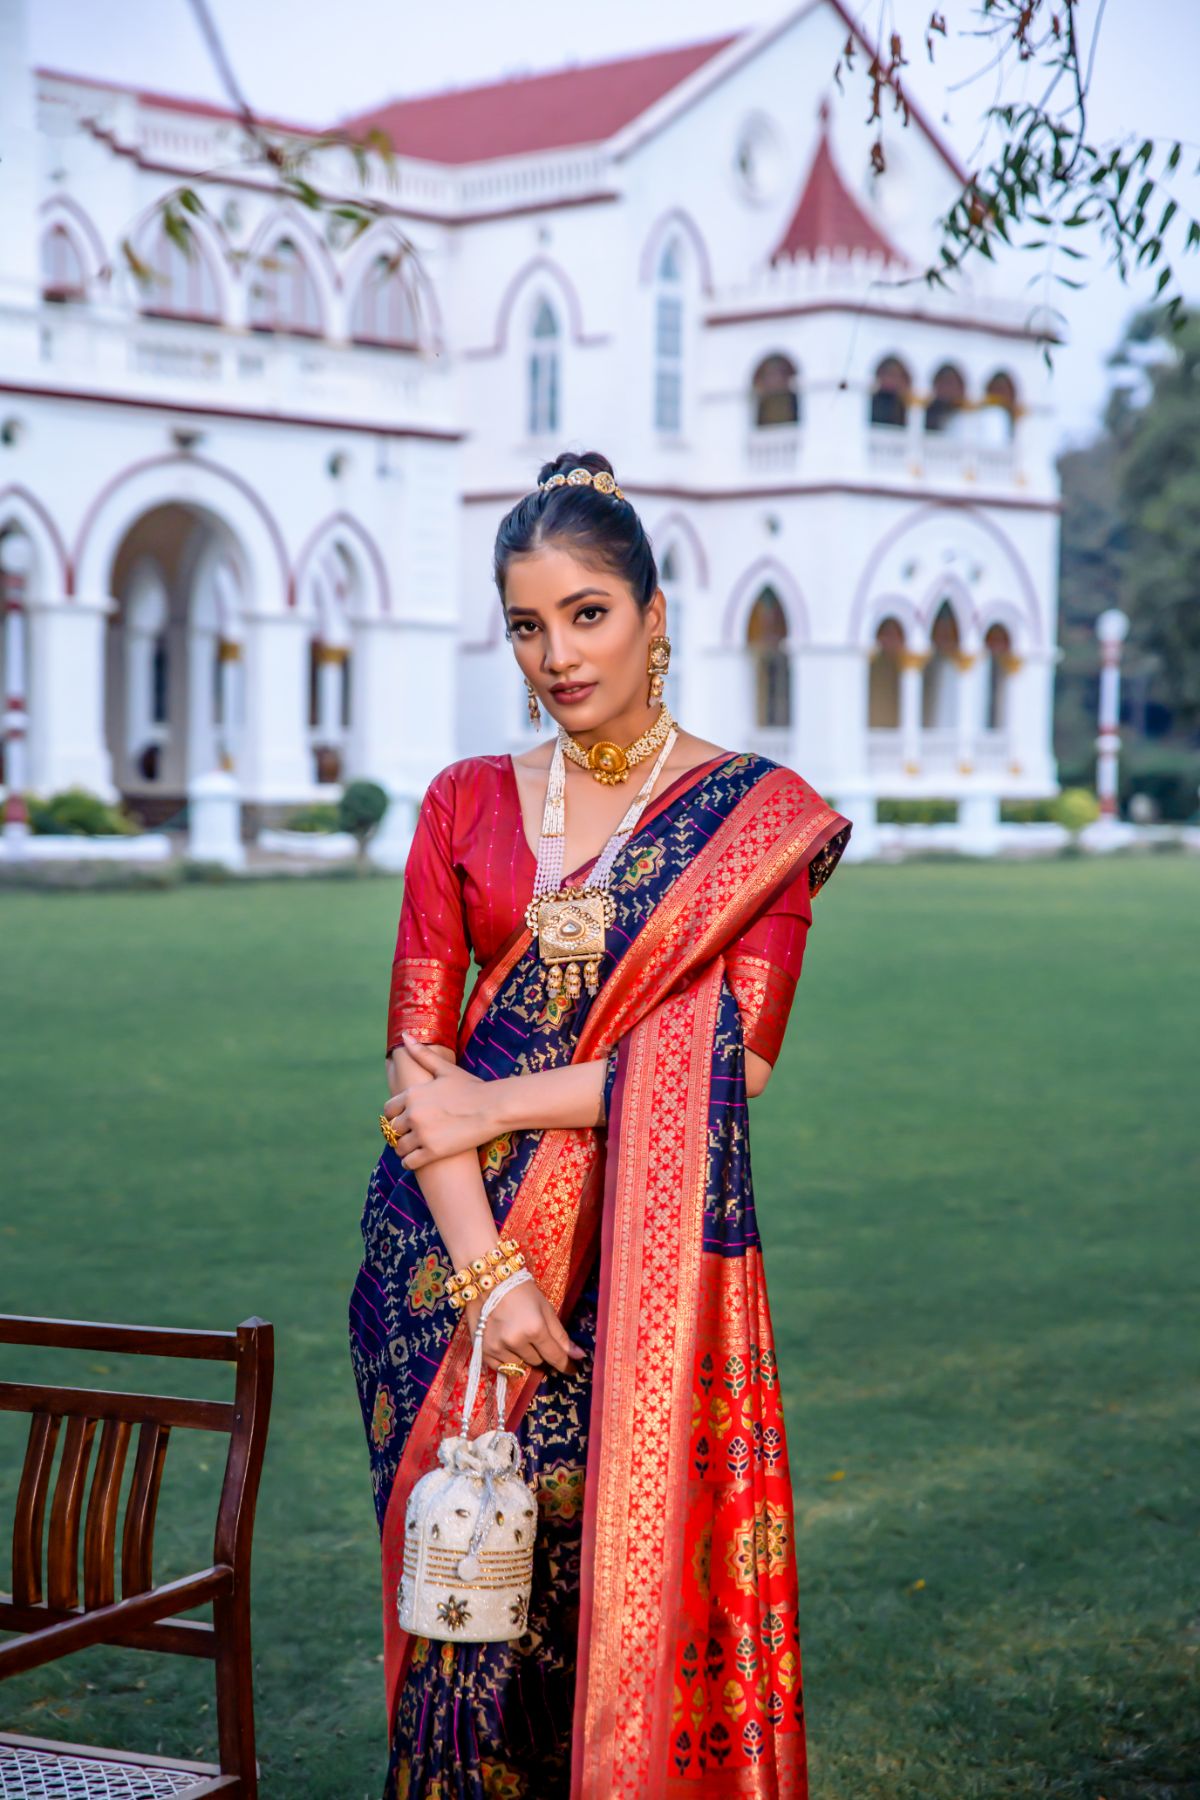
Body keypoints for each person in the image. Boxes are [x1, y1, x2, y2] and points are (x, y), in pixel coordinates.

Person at [349, 449, 852, 1800]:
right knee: (464, 1595)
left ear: (654, 615)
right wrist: (486, 1270)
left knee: (590, 1615)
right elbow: (417, 1055)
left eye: (587, 613)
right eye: (527, 623)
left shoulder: (758, 822)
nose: (557, 654)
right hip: (442, 1266)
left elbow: (731, 1063)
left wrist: (502, 1101)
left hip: (639, 1272)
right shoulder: (463, 804)